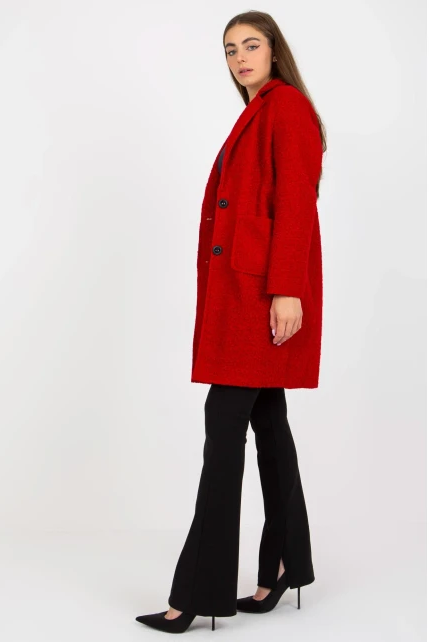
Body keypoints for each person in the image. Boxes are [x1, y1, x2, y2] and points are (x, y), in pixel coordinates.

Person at [135, 10, 326, 634]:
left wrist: (287, 290)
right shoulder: (258, 110)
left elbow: (295, 202)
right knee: (267, 424)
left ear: (274, 50)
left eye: (251, 45)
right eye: (229, 50)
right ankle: (286, 565)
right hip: (246, 294)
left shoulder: (286, 107)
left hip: (262, 297)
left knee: (224, 431)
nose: (239, 57)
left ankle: (195, 594)